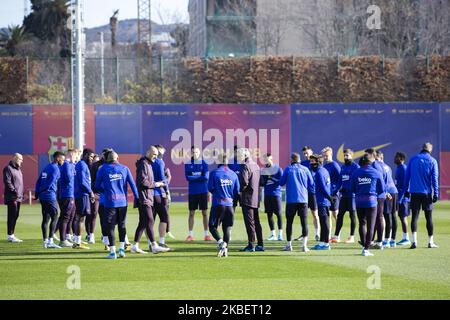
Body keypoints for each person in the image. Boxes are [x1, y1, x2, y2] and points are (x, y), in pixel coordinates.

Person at [95, 151, 139, 259]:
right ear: (117, 158)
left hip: (110, 202)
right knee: (122, 225)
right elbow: (133, 185)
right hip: (123, 202)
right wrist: (137, 198)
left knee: (110, 226)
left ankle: (112, 252)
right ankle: (121, 250)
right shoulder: (125, 168)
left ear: (107, 159)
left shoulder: (103, 169)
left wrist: (105, 191)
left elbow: (96, 185)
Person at [132, 146, 169, 254]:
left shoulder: (147, 163)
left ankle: (135, 246)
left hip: (147, 196)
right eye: (154, 154)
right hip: (144, 198)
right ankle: (154, 245)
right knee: (150, 220)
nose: (155, 157)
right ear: (148, 153)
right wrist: (156, 184)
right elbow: (142, 182)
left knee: (143, 222)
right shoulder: (144, 163)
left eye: (157, 155)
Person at [404, 143, 439, 249]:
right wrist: (436, 193)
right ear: (430, 150)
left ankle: (414, 242)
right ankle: (430, 242)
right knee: (429, 218)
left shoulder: (413, 159)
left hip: (414, 192)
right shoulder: (433, 161)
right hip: (426, 193)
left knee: (414, 217)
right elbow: (434, 178)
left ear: (421, 149)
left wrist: (406, 190)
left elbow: (407, 176)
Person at [350, 154, 385, 256]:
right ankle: (366, 249)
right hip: (371, 201)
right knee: (371, 225)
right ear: (371, 162)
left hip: (359, 201)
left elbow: (352, 188)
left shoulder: (356, 172)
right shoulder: (376, 172)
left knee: (362, 224)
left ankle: (364, 247)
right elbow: (382, 189)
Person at [280, 153, 314, 252]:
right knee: (304, 223)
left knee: (289, 223)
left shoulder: (288, 169)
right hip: (303, 199)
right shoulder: (306, 169)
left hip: (291, 200)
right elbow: (311, 183)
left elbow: (281, 183)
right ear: (299, 160)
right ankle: (304, 246)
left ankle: (289, 245)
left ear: (291, 160)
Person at [208, 153, 240, 258]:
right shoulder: (233, 174)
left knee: (212, 226)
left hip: (218, 203)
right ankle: (225, 250)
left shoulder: (214, 173)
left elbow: (210, 188)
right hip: (230, 205)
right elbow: (237, 191)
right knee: (227, 228)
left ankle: (221, 242)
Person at [35, 151, 65, 249]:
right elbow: (51, 182)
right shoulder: (56, 168)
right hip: (49, 195)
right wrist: (46, 190)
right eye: (62, 159)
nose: (63, 161)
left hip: (42, 196)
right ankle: (51, 241)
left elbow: (39, 180)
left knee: (45, 219)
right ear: (57, 158)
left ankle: (45, 242)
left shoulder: (47, 167)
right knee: (55, 216)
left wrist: (37, 192)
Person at [331, 148, 359, 244]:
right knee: (340, 216)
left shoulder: (356, 167)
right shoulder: (342, 167)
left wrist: (349, 189)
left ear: (352, 155)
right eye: (344, 156)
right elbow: (340, 180)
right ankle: (336, 236)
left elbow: (356, 181)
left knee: (352, 215)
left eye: (347, 155)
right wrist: (336, 190)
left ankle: (352, 236)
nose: (345, 157)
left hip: (352, 196)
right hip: (343, 195)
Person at [238, 148, 264, 252]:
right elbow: (261, 181)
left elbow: (244, 182)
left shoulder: (245, 165)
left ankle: (251, 245)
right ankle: (260, 244)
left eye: (239, 155)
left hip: (247, 198)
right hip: (255, 198)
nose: (237, 157)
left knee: (250, 222)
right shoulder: (256, 165)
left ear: (244, 155)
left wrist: (239, 191)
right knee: (256, 222)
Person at [184, 146, 212, 241]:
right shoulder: (188, 163)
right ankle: (190, 235)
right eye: (193, 152)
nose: (194, 154)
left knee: (204, 213)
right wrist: (199, 176)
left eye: (196, 152)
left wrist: (194, 177)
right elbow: (188, 178)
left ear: (199, 153)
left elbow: (206, 177)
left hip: (203, 191)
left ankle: (206, 234)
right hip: (193, 192)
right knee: (191, 213)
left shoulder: (204, 163)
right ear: (191, 153)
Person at [365, 148, 390, 250]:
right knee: (375, 218)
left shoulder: (375, 165)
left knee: (379, 217)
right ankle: (371, 240)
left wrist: (383, 192)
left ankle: (380, 242)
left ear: (372, 155)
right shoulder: (374, 165)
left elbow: (381, 181)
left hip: (378, 195)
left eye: (366, 154)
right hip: (377, 195)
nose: (365, 156)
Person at [73, 149, 95, 250]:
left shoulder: (81, 165)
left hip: (81, 194)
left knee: (81, 217)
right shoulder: (82, 165)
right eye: (91, 156)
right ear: (85, 155)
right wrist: (90, 192)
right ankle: (77, 242)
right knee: (80, 217)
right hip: (82, 194)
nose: (92, 158)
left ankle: (77, 240)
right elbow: (82, 181)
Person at [310, 154, 333, 250]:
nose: (311, 164)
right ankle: (322, 242)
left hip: (323, 201)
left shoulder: (319, 172)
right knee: (324, 222)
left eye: (312, 162)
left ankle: (326, 243)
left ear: (318, 162)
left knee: (324, 222)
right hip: (323, 200)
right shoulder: (324, 170)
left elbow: (323, 188)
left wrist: (329, 198)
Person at [298, 146, 320, 241]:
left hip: (313, 192)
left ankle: (317, 233)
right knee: (304, 214)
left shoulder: (316, 163)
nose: (306, 155)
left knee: (315, 214)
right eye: (304, 154)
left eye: (307, 153)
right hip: (303, 193)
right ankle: (304, 233)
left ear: (311, 152)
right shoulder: (302, 164)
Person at [377, 151, 398, 248]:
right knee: (393, 215)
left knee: (387, 215)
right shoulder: (388, 166)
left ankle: (386, 240)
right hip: (394, 190)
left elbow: (382, 181)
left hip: (387, 192)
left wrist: (384, 192)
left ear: (379, 157)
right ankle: (393, 240)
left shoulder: (378, 166)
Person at [260, 153, 283, 241]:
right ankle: (273, 234)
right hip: (267, 194)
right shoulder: (264, 170)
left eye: (267, 159)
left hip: (276, 194)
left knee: (278, 214)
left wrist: (271, 178)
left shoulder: (278, 169)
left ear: (271, 159)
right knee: (269, 214)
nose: (266, 161)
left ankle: (280, 234)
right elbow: (263, 183)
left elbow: (281, 182)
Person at [57, 149, 77, 248]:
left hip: (69, 194)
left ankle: (66, 237)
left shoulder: (68, 165)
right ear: (71, 155)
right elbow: (69, 178)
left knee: (69, 216)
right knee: (65, 217)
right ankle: (62, 240)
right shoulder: (67, 165)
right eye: (76, 155)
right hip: (67, 194)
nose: (77, 157)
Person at [155, 144, 175, 240]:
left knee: (165, 215)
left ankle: (167, 231)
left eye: (162, 153)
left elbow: (166, 179)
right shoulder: (152, 163)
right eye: (160, 153)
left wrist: (166, 190)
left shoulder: (163, 165)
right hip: (156, 193)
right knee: (151, 218)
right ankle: (155, 241)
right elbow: (162, 179)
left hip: (162, 192)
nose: (161, 155)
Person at [3, 153, 24, 243]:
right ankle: (10, 235)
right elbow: (7, 182)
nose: (21, 161)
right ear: (15, 158)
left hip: (19, 197)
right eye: (20, 159)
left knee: (16, 215)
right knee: (12, 216)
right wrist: (14, 191)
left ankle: (12, 235)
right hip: (12, 197)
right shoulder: (8, 168)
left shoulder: (18, 169)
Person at [322, 147, 341, 233]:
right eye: (324, 156)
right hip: (327, 194)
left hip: (334, 194)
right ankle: (328, 235)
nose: (325, 157)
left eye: (327, 155)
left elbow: (340, 179)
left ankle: (338, 234)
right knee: (328, 214)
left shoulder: (335, 165)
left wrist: (336, 190)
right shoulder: (324, 166)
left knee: (335, 214)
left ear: (331, 155)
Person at [394, 152, 411, 246]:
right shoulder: (398, 168)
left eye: (396, 157)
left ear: (401, 158)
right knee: (401, 217)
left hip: (403, 198)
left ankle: (406, 238)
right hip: (399, 196)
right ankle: (404, 237)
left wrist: (401, 198)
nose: (394, 159)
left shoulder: (404, 168)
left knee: (403, 217)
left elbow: (406, 185)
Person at [85, 154, 100, 244]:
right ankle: (90, 234)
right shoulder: (88, 169)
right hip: (92, 193)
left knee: (101, 215)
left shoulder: (100, 169)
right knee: (91, 214)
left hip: (101, 194)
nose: (96, 163)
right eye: (95, 161)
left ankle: (104, 236)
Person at [229, 145, 242, 211]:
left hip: (242, 189)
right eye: (236, 151)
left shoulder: (244, 162)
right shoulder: (229, 162)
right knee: (232, 208)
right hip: (232, 189)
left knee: (246, 209)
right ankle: (230, 221)